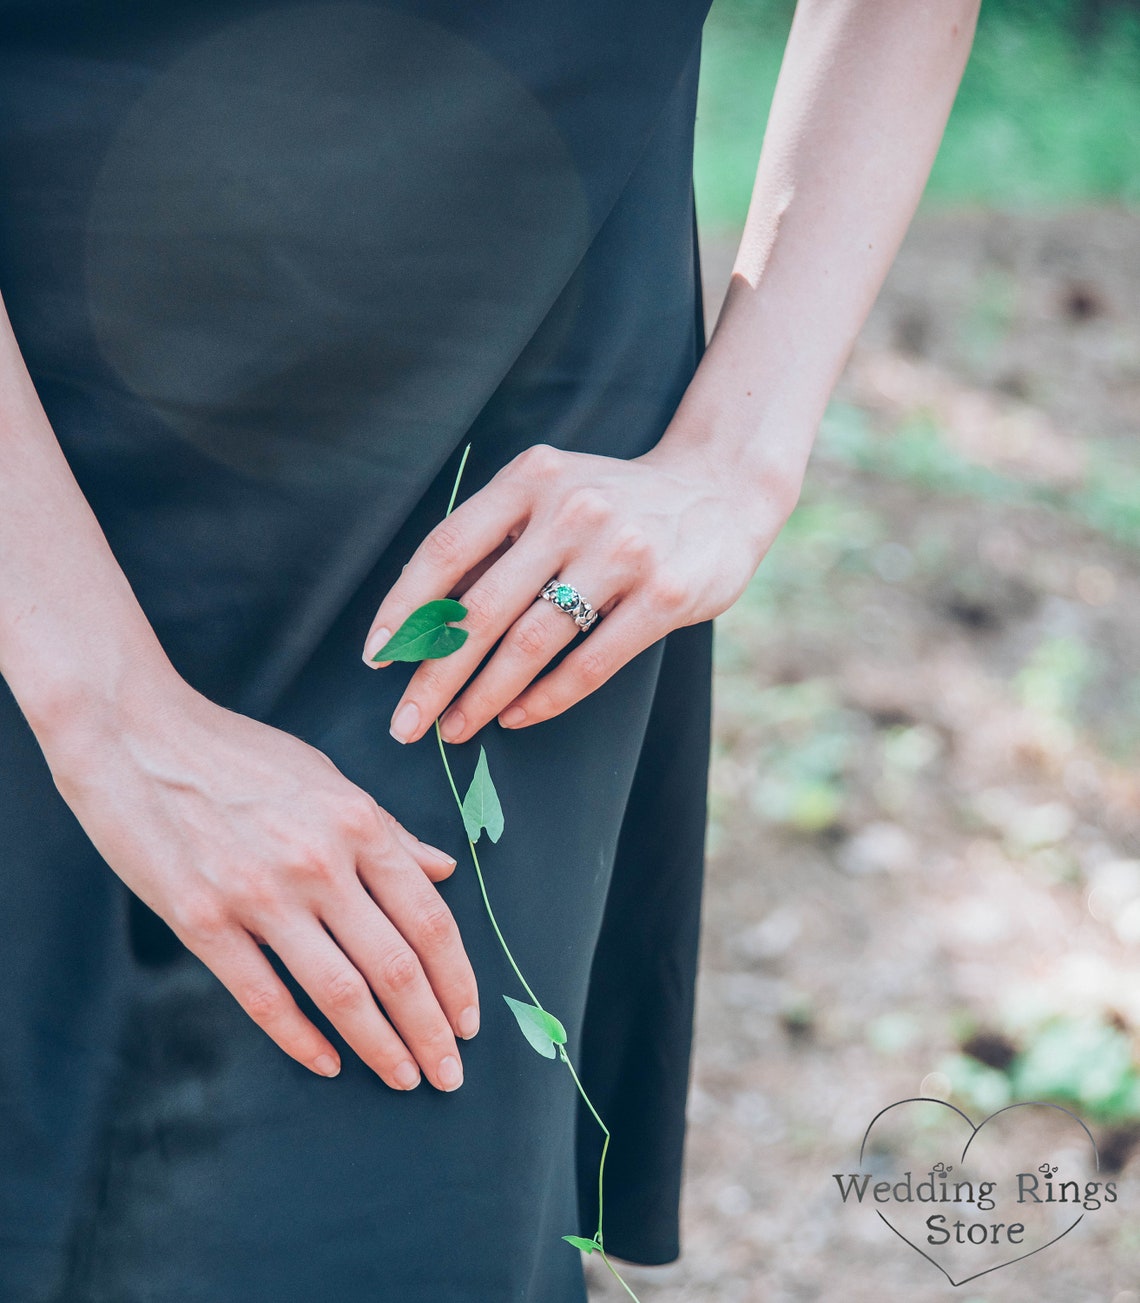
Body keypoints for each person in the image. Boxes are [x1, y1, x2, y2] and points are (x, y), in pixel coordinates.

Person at [0, 1, 979, 1298]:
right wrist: (108, 705)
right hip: (38, 449)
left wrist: (743, 453)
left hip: (499, 498)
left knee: (380, 1209)